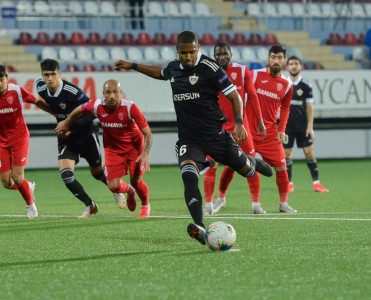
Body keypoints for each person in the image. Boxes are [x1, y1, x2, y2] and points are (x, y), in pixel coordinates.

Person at [113, 31, 273, 246]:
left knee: (247, 171)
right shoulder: (173, 68)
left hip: (216, 136)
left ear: (198, 48)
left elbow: (234, 95)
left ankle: (251, 161)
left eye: (192, 52)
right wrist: (132, 65)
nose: (188, 57)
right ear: (177, 51)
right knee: (188, 176)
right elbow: (159, 73)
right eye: (183, 53)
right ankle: (199, 225)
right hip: (189, 140)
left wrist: (239, 123)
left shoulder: (211, 68)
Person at [35, 59, 125, 218]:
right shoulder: (41, 88)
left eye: (53, 74)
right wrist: (60, 122)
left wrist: (69, 126)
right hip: (66, 138)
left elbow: (91, 112)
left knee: (97, 173)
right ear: (42, 76)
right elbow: (50, 106)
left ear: (59, 74)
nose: (50, 79)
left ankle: (116, 190)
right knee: (66, 176)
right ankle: (90, 205)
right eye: (46, 75)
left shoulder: (72, 91)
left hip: (85, 134)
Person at [55, 79, 153, 218]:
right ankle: (130, 191)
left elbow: (148, 134)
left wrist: (145, 153)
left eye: (115, 92)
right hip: (113, 149)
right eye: (108, 92)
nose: (112, 96)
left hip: (134, 147)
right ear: (103, 94)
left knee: (136, 180)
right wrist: (66, 122)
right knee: (113, 186)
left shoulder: (130, 107)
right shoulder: (97, 105)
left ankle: (145, 206)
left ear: (120, 93)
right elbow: (79, 110)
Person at [203, 42, 267, 215]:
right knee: (211, 164)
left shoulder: (242, 70)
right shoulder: (209, 72)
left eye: (224, 54)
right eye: (218, 54)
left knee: (248, 162)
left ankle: (256, 204)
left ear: (230, 54)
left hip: (240, 127)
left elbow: (252, 96)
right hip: (218, 128)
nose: (221, 57)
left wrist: (259, 120)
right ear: (214, 56)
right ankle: (209, 204)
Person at [246, 45, 297, 213]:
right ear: (268, 59)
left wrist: (282, 130)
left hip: (270, 133)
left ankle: (283, 204)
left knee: (282, 168)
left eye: (280, 57)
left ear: (284, 61)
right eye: (273, 57)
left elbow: (286, 108)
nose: (276, 60)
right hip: (249, 132)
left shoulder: (287, 85)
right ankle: (255, 205)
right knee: (248, 167)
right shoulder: (254, 75)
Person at [284, 56, 329, 193]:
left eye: (296, 64)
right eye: (291, 64)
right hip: (286, 126)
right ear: (287, 67)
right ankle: (289, 184)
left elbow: (310, 107)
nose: (293, 66)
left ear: (301, 66)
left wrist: (310, 127)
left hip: (303, 126)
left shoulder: (306, 86)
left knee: (309, 152)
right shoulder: (283, 84)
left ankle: (316, 183)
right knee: (286, 154)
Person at [0, 64, 40, 218]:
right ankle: (28, 186)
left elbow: (36, 100)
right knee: (7, 183)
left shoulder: (16, 90)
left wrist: (56, 113)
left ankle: (30, 205)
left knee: (17, 177)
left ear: (6, 79)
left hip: (19, 138)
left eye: (1, 79)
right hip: (1, 141)